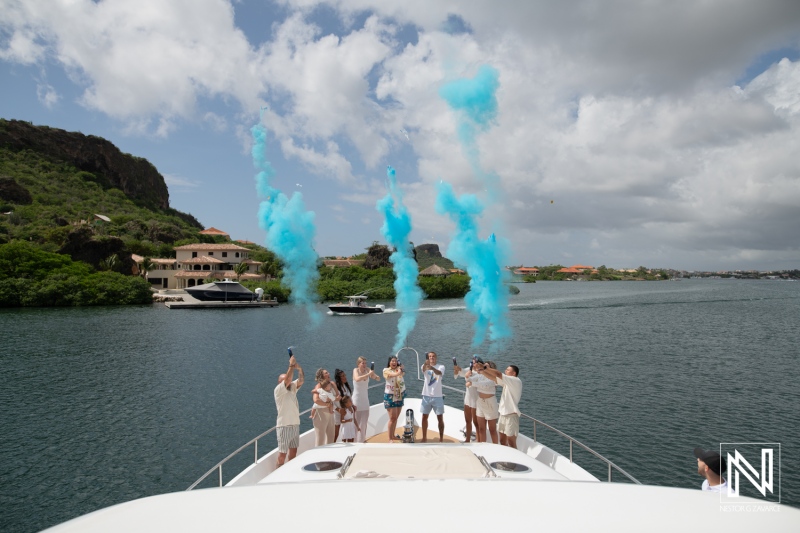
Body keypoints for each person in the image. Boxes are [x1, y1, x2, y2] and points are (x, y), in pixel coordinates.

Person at [481, 364, 522, 448]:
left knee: (511, 441)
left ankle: (515, 459)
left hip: (511, 416)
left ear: (514, 373)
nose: (505, 371)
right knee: (502, 440)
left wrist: (486, 368)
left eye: (507, 370)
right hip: (503, 415)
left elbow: (498, 374)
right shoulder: (507, 383)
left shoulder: (515, 381)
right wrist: (482, 371)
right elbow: (494, 378)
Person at [274, 354, 304, 467]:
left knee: (293, 452)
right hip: (284, 426)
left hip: (295, 425)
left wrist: (299, 368)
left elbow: (301, 380)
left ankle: (289, 473)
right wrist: (291, 365)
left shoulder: (292, 388)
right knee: (282, 455)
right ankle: (277, 475)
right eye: (287, 381)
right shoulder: (278, 391)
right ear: (280, 383)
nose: (290, 382)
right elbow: (288, 379)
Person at [468, 359, 499, 443]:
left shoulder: (494, 379)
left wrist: (472, 384)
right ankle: (482, 447)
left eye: (485, 367)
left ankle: (496, 448)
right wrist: (468, 377)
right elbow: (470, 379)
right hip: (480, 402)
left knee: (492, 429)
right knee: (481, 428)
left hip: (490, 403)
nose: (483, 368)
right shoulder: (480, 376)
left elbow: (485, 385)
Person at [352, 356, 380, 442]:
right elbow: (357, 379)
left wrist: (375, 376)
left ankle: (362, 441)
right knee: (356, 424)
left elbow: (377, 378)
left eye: (365, 363)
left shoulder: (368, 370)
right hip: (356, 400)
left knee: (364, 424)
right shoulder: (355, 370)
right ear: (358, 364)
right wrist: (369, 374)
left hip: (365, 401)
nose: (364, 364)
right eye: (362, 363)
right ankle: (354, 442)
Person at [420, 351, 446, 442]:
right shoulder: (424, 366)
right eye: (430, 356)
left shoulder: (441, 366)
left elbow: (439, 373)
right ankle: (424, 437)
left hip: (438, 396)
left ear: (436, 357)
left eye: (433, 356)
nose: (431, 358)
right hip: (426, 395)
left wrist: (431, 368)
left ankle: (441, 439)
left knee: (440, 418)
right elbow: (423, 369)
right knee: (424, 417)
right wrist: (426, 364)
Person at [311, 368, 339, 446]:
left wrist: (334, 386)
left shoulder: (332, 384)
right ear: (321, 376)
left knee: (331, 437)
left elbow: (337, 396)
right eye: (326, 373)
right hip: (321, 413)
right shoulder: (319, 386)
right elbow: (316, 400)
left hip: (330, 413)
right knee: (320, 439)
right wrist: (328, 404)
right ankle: (318, 457)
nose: (329, 374)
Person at [454, 357, 479, 443]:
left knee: (476, 422)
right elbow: (462, 372)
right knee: (468, 421)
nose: (473, 364)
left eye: (475, 363)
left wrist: (468, 376)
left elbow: (469, 379)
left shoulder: (480, 373)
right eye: (472, 363)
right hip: (468, 399)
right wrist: (458, 368)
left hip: (476, 400)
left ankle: (479, 440)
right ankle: (467, 439)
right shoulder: (469, 370)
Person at [383, 356, 406, 442]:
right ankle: (389, 438)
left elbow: (402, 373)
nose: (394, 362)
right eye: (392, 361)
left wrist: (401, 368)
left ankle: (393, 435)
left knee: (396, 417)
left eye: (395, 361)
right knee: (392, 418)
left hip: (398, 395)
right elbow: (391, 375)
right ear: (389, 362)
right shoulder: (385, 370)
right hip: (390, 396)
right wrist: (399, 371)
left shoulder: (398, 370)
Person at [333, 369, 352, 442]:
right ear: (339, 378)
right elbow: (332, 402)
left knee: (346, 432)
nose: (345, 377)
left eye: (345, 375)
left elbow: (349, 398)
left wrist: (351, 406)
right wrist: (339, 410)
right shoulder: (335, 388)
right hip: (338, 412)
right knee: (336, 433)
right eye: (343, 376)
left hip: (346, 412)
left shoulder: (346, 386)